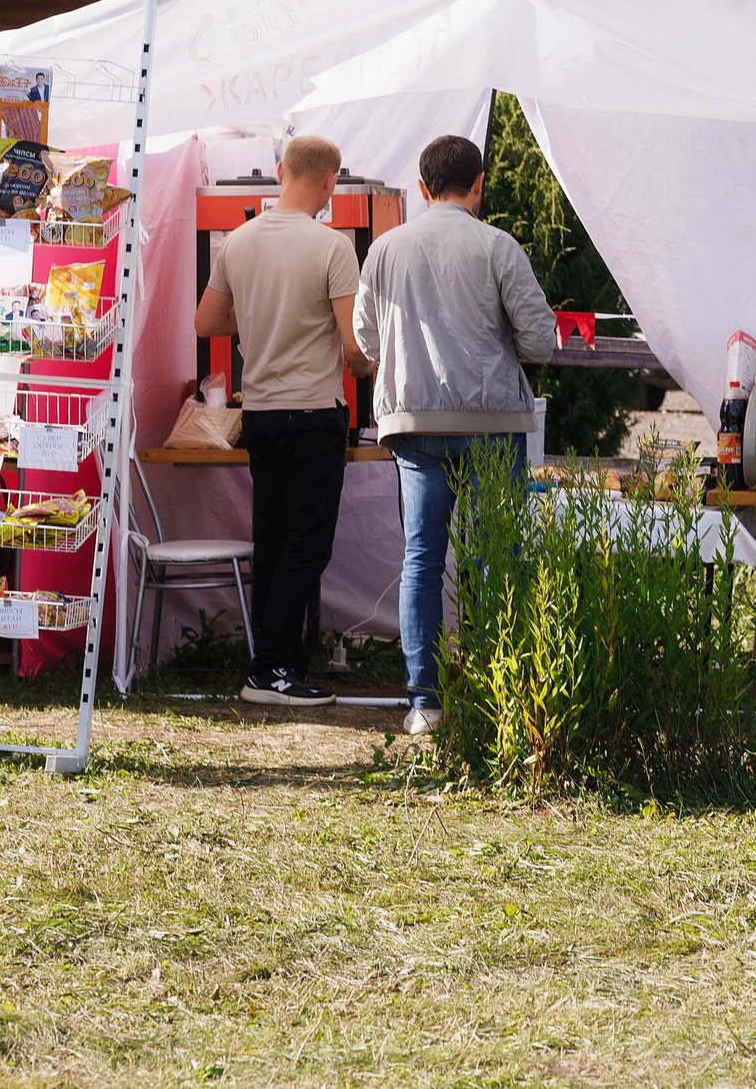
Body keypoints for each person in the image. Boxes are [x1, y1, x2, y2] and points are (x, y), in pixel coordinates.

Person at [351, 133, 559, 735]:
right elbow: (540, 341)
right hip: (493, 420)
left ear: (421, 187)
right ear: (479, 184)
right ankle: (501, 698)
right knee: (497, 559)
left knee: (422, 558)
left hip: (415, 423)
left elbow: (365, 343)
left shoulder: (386, 250)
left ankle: (425, 704)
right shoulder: (498, 246)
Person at [195, 135, 377, 707]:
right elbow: (352, 347)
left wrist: (257, 320)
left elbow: (206, 323)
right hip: (313, 411)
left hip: (262, 413)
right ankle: (272, 668)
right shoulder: (332, 246)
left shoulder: (239, 241)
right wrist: (377, 364)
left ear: (280, 172)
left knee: (272, 539)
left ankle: (275, 667)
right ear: (330, 182)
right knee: (307, 543)